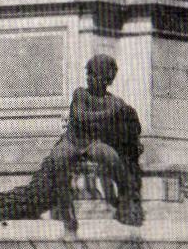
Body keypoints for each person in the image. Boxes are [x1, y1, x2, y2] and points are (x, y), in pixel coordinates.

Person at [46, 54, 143, 231]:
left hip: (94, 143)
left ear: (107, 79)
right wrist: (108, 115)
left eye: (95, 75)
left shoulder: (115, 101)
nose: (90, 79)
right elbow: (80, 115)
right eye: (88, 74)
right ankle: (66, 211)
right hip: (73, 140)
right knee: (58, 158)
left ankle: (122, 202)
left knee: (113, 159)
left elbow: (131, 122)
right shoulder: (80, 93)